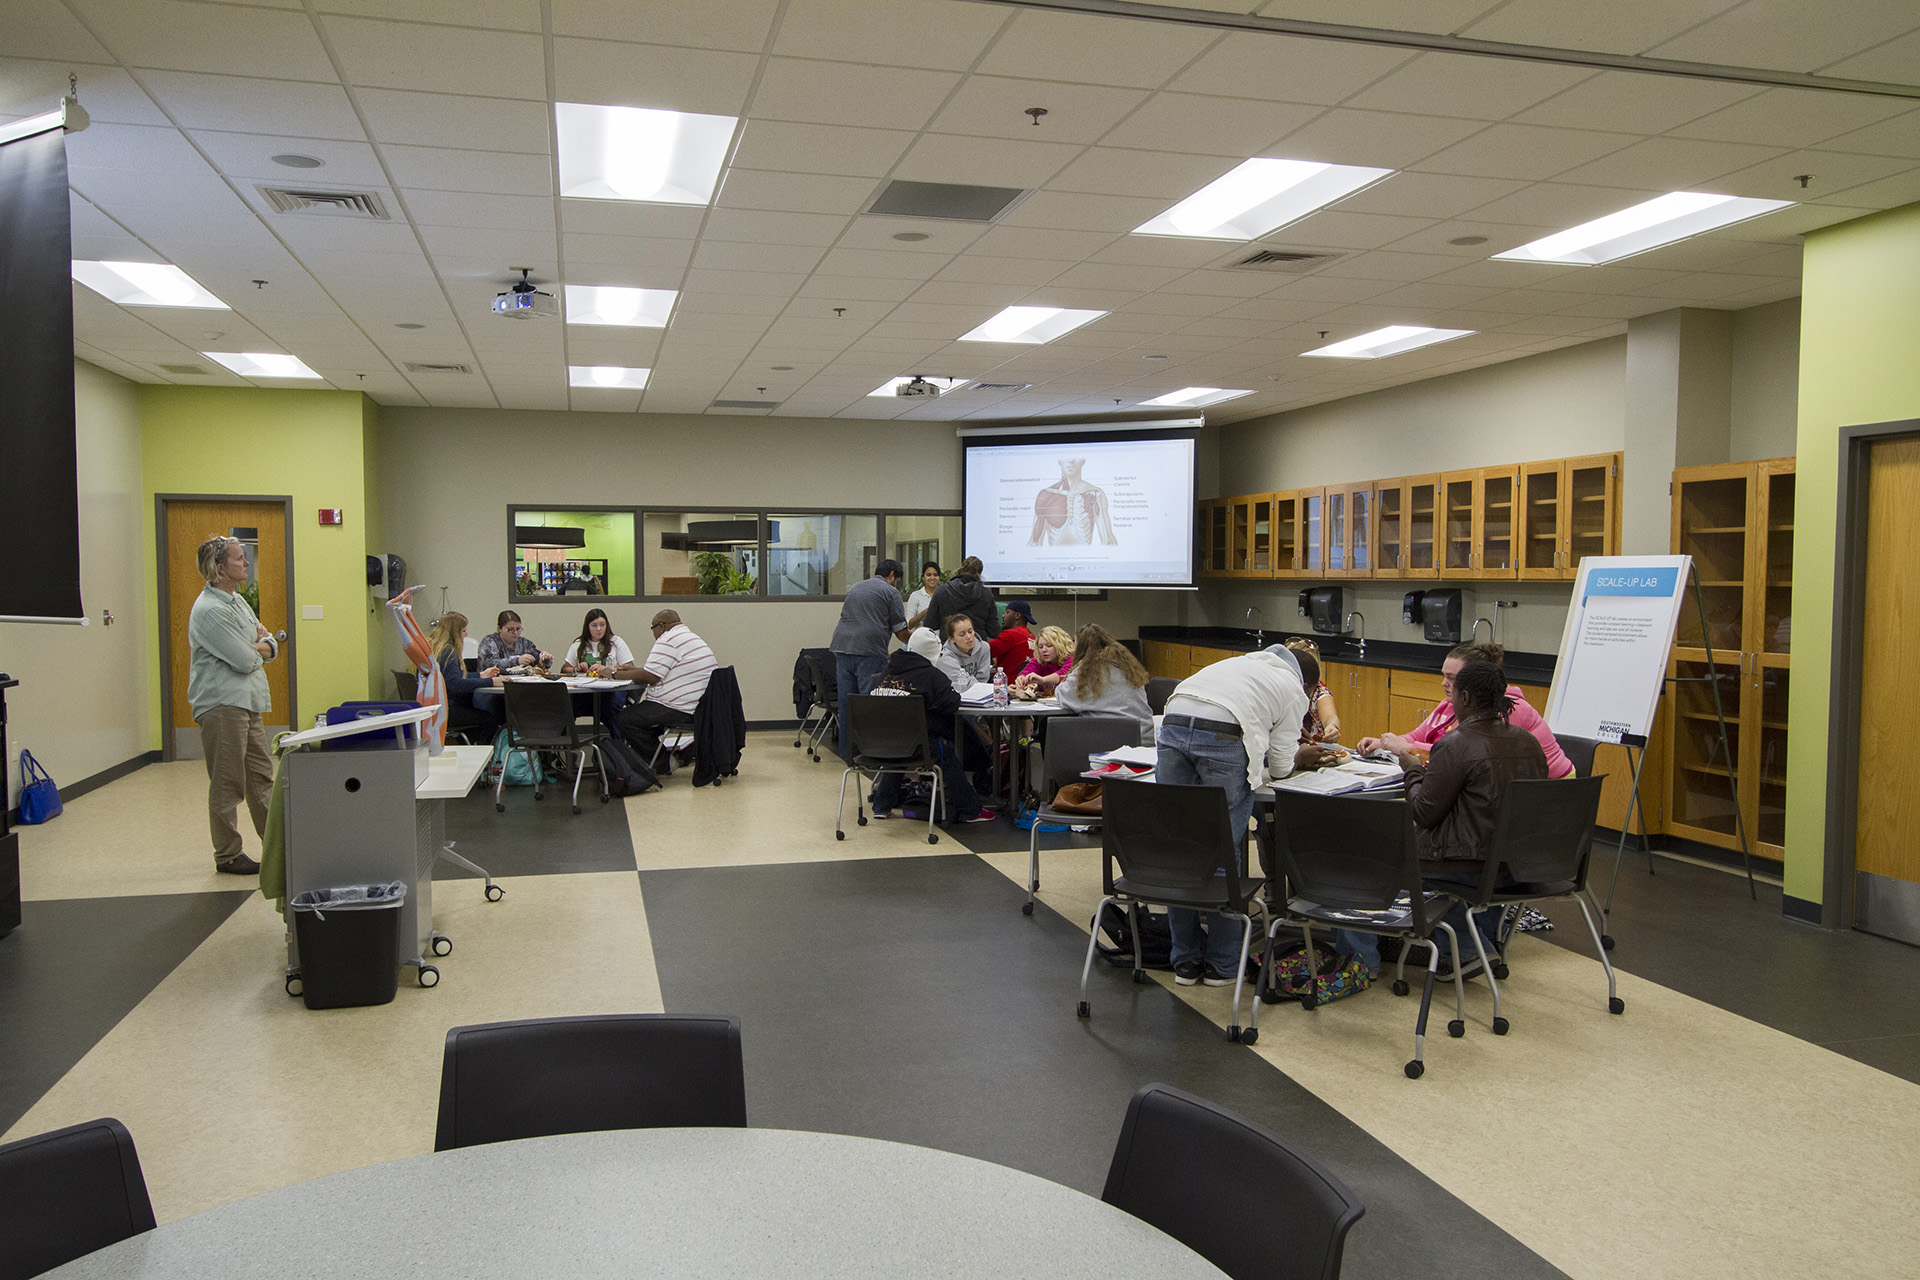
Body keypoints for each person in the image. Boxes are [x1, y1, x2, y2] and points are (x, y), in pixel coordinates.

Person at [1156, 645, 1333, 986]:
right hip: (1221, 735)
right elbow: (1280, 769)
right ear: (1309, 686)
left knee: (1181, 845)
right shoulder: (1294, 690)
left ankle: (1186, 961)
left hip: (1173, 722)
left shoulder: (1242, 664)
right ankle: (1222, 964)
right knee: (1224, 847)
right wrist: (1301, 755)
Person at [1384, 660, 1549, 973]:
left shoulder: (1456, 744)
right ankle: (1483, 938)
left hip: (1471, 865)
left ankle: (1471, 948)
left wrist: (1413, 771)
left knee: (1390, 857)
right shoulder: (1529, 742)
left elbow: (1423, 812)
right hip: (1519, 864)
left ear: (1467, 698)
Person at [187, 534, 280, 875]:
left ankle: (276, 848)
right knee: (228, 783)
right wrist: (258, 646)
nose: (247, 563)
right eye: (240, 558)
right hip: (222, 703)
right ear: (221, 568)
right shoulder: (209, 610)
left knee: (261, 778)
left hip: (247, 701)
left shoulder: (237, 601)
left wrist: (262, 644)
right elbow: (245, 659)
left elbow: (266, 642)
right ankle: (227, 854)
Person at [1357, 643, 1572, 778]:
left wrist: (1406, 747)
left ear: (1474, 680)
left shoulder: (1505, 708)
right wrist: (1383, 744)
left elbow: (1464, 754)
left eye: (1452, 678)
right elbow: (1419, 735)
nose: (1444, 683)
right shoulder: (1451, 703)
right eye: (1444, 675)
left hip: (1546, 790)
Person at [867, 628, 995, 824]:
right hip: (918, 746)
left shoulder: (887, 672)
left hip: (878, 743)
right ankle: (970, 809)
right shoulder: (931, 675)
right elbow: (951, 703)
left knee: (899, 751)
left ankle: (882, 806)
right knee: (947, 756)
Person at [828, 559, 911, 763]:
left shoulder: (856, 587)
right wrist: (921, 640)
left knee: (848, 705)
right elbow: (901, 632)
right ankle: (871, 754)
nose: (896, 585)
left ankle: (848, 756)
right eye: (897, 580)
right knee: (870, 706)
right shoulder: (891, 592)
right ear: (892, 575)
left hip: (842, 648)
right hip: (869, 652)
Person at [615, 610, 717, 770]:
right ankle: (653, 758)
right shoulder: (689, 637)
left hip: (679, 708)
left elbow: (651, 677)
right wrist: (632, 670)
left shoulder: (668, 640)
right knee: (640, 716)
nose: (653, 633)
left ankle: (664, 763)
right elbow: (659, 670)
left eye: (653, 628)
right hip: (699, 707)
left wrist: (613, 674)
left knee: (624, 719)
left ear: (660, 627)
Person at [1055, 624, 1155, 745]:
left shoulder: (1087, 670)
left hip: (1110, 741)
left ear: (1080, 648)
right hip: (1142, 737)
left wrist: (1063, 682)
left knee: (1055, 727)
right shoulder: (1128, 666)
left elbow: (1066, 696)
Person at [427, 611, 505, 741]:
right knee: (490, 720)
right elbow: (455, 684)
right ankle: (477, 751)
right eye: (463, 631)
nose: (466, 635)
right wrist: (491, 682)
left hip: (436, 707)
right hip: (448, 709)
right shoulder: (449, 652)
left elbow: (452, 678)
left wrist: (481, 675)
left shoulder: (436, 649)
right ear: (454, 633)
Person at [1029, 457, 1117, 545]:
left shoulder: (1095, 494)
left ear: (1083, 461)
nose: (1071, 461)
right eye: (1065, 457)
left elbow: (1108, 541)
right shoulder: (1046, 494)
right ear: (1059, 461)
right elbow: (1034, 543)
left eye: (1076, 457)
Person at [923, 556, 1000, 643]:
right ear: (980, 573)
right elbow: (993, 631)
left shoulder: (942, 590)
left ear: (961, 568)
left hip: (950, 646)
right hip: (977, 648)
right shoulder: (986, 594)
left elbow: (929, 624)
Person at [1285, 637, 1341, 743]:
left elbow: (1330, 715)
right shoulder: (1280, 689)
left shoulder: (1318, 693)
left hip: (1312, 750)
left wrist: (1332, 726)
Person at [561, 608, 633, 675]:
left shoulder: (617, 642)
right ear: (587, 627)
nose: (599, 629)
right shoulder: (578, 643)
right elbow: (565, 668)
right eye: (594, 625)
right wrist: (577, 669)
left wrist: (607, 670)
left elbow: (630, 668)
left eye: (602, 625)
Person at [934, 615, 994, 692]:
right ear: (951, 638)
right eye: (962, 634)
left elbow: (983, 679)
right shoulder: (945, 657)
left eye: (970, 631)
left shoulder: (984, 648)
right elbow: (963, 685)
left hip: (980, 694)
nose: (968, 637)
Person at [477, 610, 551, 671]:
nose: (515, 633)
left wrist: (544, 658)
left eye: (518, 629)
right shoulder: (489, 642)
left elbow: (537, 659)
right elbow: (489, 665)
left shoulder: (524, 643)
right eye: (510, 629)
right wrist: (517, 660)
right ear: (499, 629)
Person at [1014, 626, 1075, 698]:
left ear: (1061, 646)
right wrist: (1021, 680)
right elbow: (1026, 672)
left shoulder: (1072, 659)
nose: (1044, 650)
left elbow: (1062, 675)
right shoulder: (1038, 661)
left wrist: (1043, 680)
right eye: (1040, 647)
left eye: (1049, 646)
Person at [988, 599, 1036, 683]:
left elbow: (985, 649)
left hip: (1007, 686)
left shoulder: (1010, 635)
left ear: (1017, 615)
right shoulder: (1032, 637)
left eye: (1007, 612)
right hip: (1025, 684)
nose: (1003, 616)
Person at [905, 562, 942, 631]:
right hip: (921, 638)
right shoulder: (915, 596)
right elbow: (909, 625)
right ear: (923, 577)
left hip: (940, 639)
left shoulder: (944, 594)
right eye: (928, 575)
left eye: (935, 575)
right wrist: (924, 613)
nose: (932, 578)